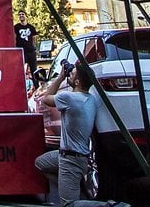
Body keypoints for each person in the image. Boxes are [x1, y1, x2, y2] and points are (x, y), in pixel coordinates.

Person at [35, 61, 125, 207]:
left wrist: (61, 77)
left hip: (69, 159)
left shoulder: (69, 98)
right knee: (40, 163)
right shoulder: (92, 100)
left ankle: (110, 206)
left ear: (77, 81)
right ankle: (66, 189)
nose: (70, 73)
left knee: (69, 204)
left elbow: (45, 98)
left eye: (73, 72)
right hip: (75, 157)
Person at [15, 10, 39, 77]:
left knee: (34, 70)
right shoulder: (16, 27)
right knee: (20, 70)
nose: (21, 15)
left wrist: (35, 49)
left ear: (26, 16)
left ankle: (36, 86)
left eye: (22, 14)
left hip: (31, 51)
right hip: (21, 51)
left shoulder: (31, 27)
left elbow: (34, 38)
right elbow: (14, 37)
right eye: (19, 14)